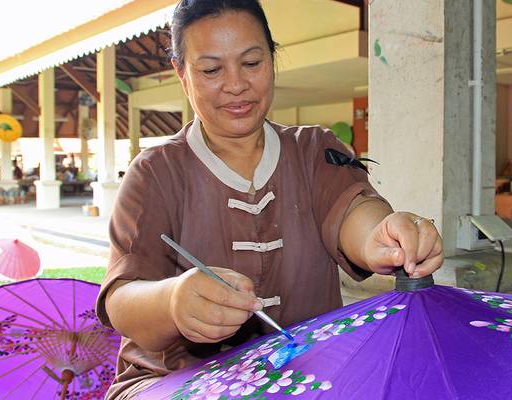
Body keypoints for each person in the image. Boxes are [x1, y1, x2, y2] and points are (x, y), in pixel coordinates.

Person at [96, 1, 444, 398]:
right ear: (181, 73)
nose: (235, 85)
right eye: (211, 70)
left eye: (252, 63)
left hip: (308, 372)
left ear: (272, 59)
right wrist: (173, 302)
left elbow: (353, 207)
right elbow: (122, 300)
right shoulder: (155, 173)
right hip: (174, 381)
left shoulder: (314, 149)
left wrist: (383, 234)